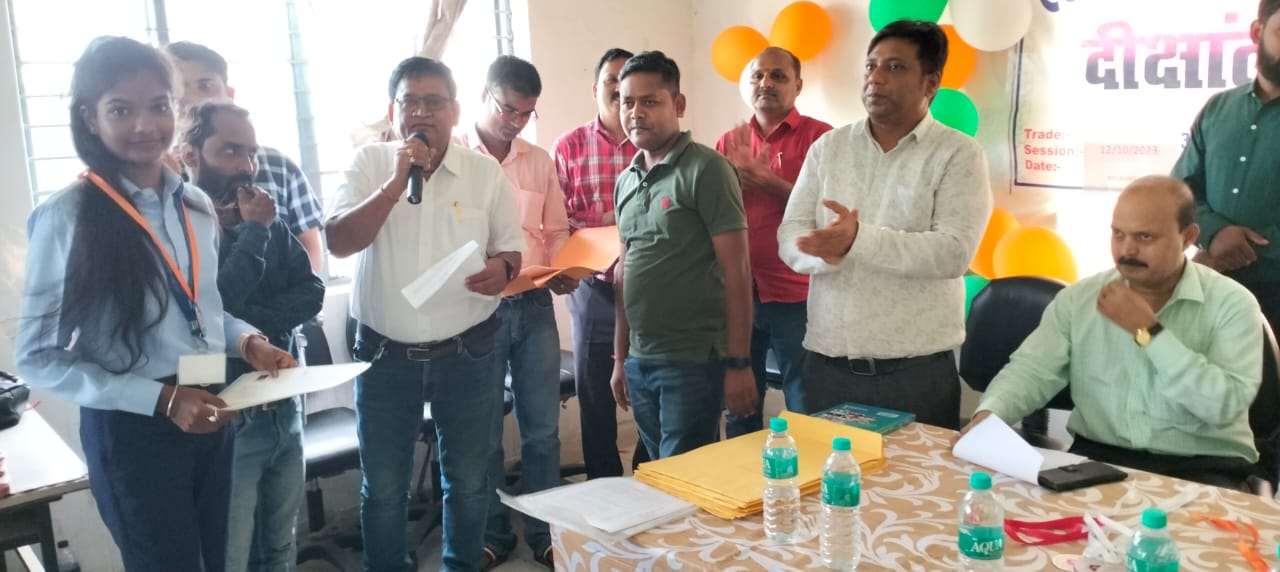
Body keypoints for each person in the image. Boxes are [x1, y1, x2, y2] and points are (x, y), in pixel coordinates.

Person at [16, 36, 296, 570]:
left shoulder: (195, 206)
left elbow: (201, 311)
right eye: (121, 110)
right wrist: (162, 400)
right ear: (90, 118)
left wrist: (248, 343)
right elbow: (37, 357)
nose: (144, 125)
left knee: (217, 562)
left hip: (211, 405)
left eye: (158, 106)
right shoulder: (68, 216)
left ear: (176, 108)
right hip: (134, 429)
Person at [324, 56, 524, 572]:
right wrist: (394, 184)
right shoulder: (369, 163)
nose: (420, 112)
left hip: (469, 353)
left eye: (433, 102)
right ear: (393, 111)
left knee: (469, 480)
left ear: (455, 111)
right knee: (384, 488)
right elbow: (339, 241)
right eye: (409, 101)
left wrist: (502, 270)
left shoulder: (483, 173)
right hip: (385, 357)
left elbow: (510, 249)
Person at [961, 176, 1264, 491]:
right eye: (1118, 234)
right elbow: (1032, 370)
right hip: (1098, 458)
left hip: (1203, 467)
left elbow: (1222, 407)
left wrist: (1148, 332)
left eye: (1145, 236)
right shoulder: (1080, 299)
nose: (1127, 249)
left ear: (1188, 237)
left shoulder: (1232, 303)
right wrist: (991, 413)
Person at [778, 20, 992, 430]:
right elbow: (790, 233)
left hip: (914, 375)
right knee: (826, 474)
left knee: (916, 477)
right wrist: (822, 254)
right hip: (827, 366)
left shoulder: (958, 154)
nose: (875, 78)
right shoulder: (829, 148)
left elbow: (952, 252)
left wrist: (858, 240)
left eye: (894, 67)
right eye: (870, 66)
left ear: (930, 83)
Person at [180, 101, 325, 572]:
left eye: (251, 153)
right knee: (230, 556)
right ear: (190, 154)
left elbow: (312, 292)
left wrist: (252, 323)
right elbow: (209, 312)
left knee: (280, 550)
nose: (246, 166)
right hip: (227, 417)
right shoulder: (181, 230)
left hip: (283, 408)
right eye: (230, 151)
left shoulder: (266, 219)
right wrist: (257, 233)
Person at [454, 55, 570, 570]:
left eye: (526, 113)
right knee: (483, 435)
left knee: (542, 429)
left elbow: (556, 230)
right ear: (485, 96)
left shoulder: (538, 160)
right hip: (476, 310)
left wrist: (565, 267)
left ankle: (545, 531)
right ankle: (492, 533)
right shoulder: (455, 156)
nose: (516, 121)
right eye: (508, 109)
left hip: (535, 303)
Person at [610, 51, 756, 459]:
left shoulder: (707, 169)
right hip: (640, 360)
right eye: (627, 102)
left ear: (678, 104)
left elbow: (738, 271)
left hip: (692, 361)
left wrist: (739, 362)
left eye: (649, 101)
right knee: (658, 474)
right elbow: (623, 274)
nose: (635, 112)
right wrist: (620, 358)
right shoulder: (626, 181)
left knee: (683, 475)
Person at [715, 46, 832, 435]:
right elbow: (714, 214)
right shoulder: (728, 142)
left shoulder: (822, 139)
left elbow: (832, 214)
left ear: (798, 86)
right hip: (738, 294)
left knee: (806, 406)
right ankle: (745, 474)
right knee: (739, 407)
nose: (766, 82)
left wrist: (770, 183)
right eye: (757, 76)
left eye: (778, 76)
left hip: (798, 295)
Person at [552, 48, 650, 478]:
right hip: (592, 287)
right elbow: (557, 222)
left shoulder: (653, 143)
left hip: (648, 288)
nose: (618, 88)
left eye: (625, 80)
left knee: (650, 387)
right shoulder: (568, 146)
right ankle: (603, 487)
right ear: (596, 88)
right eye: (611, 79)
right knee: (595, 395)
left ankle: (649, 477)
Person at [164, 41, 327, 274]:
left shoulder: (279, 167)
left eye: (205, 85)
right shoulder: (154, 177)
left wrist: (295, 296)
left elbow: (309, 253)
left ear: (229, 94)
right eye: (177, 89)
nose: (189, 98)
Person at [1172, 0, 1280, 332]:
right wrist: (1215, 233)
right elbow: (1180, 189)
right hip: (1211, 286)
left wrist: (1238, 249)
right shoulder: (1218, 108)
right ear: (1257, 32)